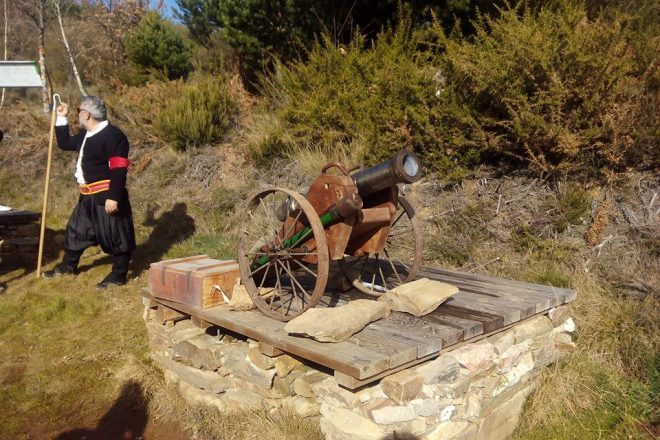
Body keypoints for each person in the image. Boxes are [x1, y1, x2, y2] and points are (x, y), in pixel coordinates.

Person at [43, 96, 135, 289]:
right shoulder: (86, 135)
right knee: (76, 231)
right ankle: (68, 267)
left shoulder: (113, 135)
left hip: (106, 196)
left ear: (87, 114)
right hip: (87, 197)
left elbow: (119, 168)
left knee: (116, 235)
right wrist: (61, 118)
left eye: (78, 112)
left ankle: (118, 276)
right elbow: (65, 143)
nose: (78, 115)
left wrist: (113, 197)